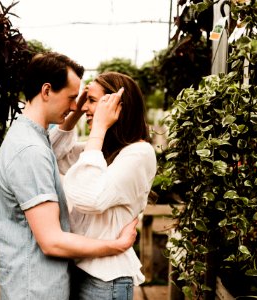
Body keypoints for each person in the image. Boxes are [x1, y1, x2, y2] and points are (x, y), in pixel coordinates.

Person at [0, 53, 139, 300]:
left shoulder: (29, 137)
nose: (75, 106)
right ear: (47, 91)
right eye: (72, 98)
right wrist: (117, 246)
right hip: (36, 292)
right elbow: (52, 241)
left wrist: (77, 113)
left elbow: (57, 150)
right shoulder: (31, 151)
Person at [50, 71, 157, 300]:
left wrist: (98, 128)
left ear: (116, 106)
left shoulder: (139, 153)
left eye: (91, 101)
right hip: (80, 270)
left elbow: (90, 198)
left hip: (105, 281)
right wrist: (77, 112)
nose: (85, 107)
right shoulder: (101, 150)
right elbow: (53, 154)